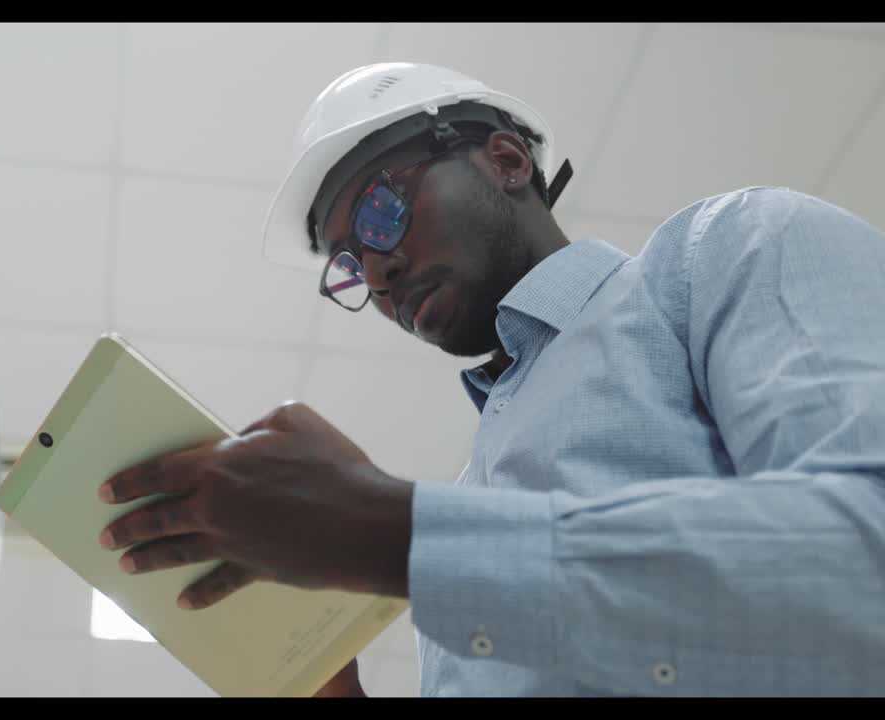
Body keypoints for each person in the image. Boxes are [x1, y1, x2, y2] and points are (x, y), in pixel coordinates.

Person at [95, 63, 885, 696]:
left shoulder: (725, 252)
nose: (378, 272)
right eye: (351, 266)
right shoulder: (471, 500)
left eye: (380, 213)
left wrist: (390, 532)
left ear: (506, 161)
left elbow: (865, 565)